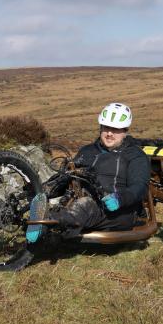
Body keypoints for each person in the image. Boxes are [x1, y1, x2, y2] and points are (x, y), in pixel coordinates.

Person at [26, 102, 151, 242]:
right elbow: (68, 177)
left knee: (84, 206)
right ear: (100, 128)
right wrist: (45, 189)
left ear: (125, 131)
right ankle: (37, 215)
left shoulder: (135, 155)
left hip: (119, 211)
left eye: (115, 129)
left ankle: (44, 224)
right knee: (62, 195)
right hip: (80, 201)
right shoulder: (87, 151)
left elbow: (139, 187)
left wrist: (120, 199)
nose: (109, 133)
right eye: (106, 128)